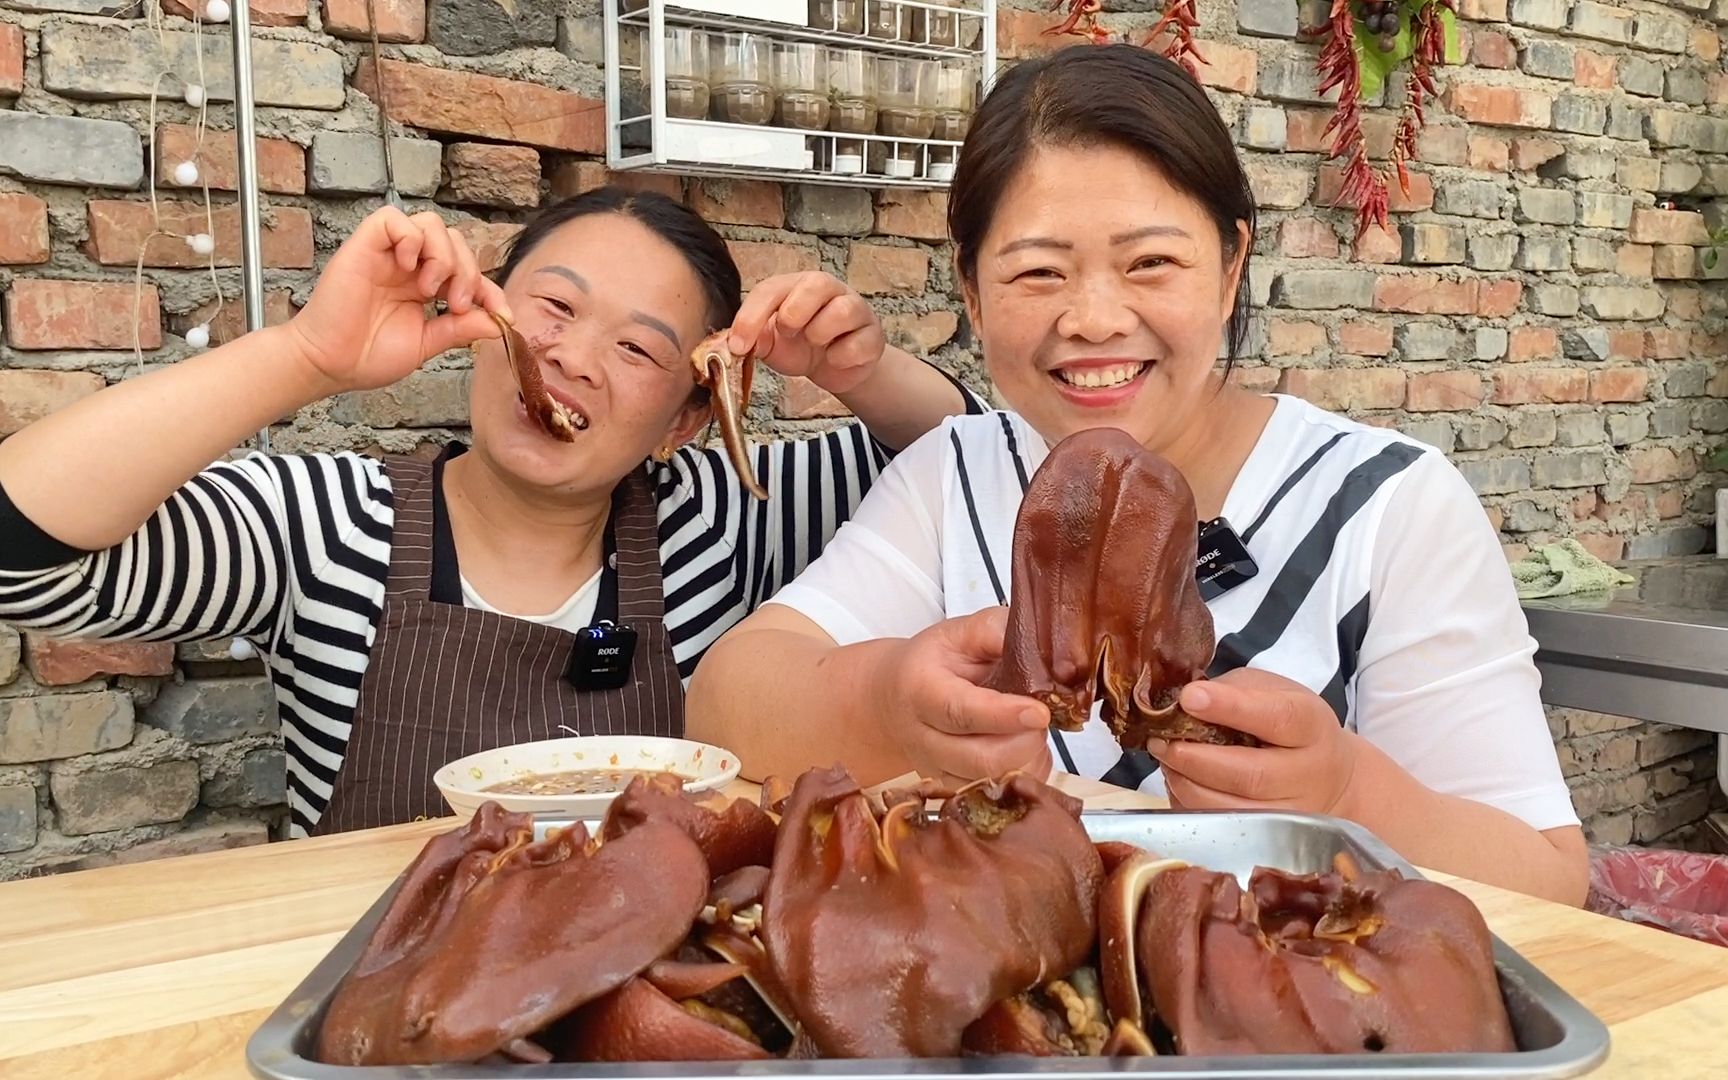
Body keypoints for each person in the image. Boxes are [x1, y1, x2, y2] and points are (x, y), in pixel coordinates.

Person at [686, 46, 1588, 905]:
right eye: (1039, 272)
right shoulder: (953, 472)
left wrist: (1350, 792)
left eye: (1150, 262)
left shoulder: (1386, 504)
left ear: (1232, 266)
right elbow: (724, 708)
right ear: (970, 292)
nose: (1094, 318)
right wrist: (884, 705)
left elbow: (1547, 879)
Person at [0, 187, 984, 838]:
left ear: (686, 420)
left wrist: (865, 369)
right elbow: (20, 552)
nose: (570, 356)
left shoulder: (720, 523)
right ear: (488, 320)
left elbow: (961, 467)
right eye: (550, 308)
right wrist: (307, 356)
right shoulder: (329, 525)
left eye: (638, 350)